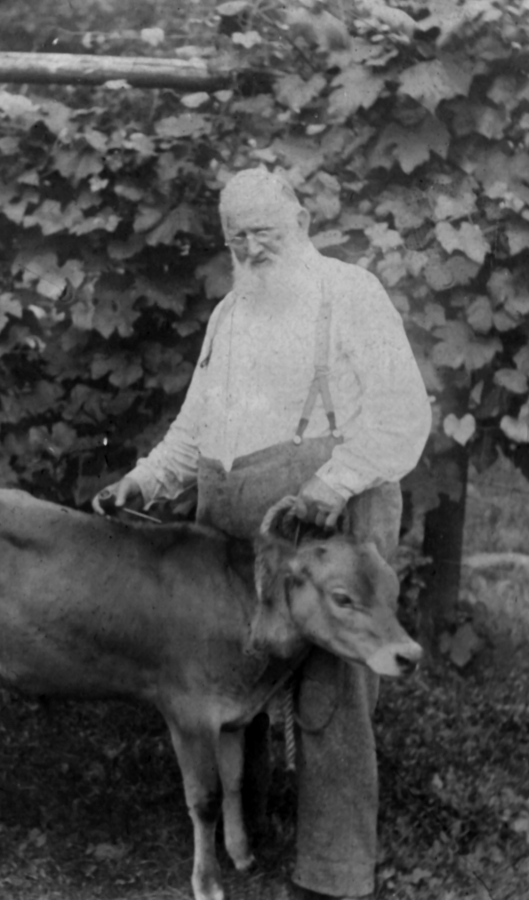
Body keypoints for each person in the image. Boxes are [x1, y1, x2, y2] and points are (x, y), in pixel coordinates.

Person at [93, 167, 431, 900]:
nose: (250, 248)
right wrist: (145, 480)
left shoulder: (350, 294)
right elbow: (195, 427)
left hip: (329, 511)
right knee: (234, 670)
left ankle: (334, 876)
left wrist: (328, 487)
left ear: (302, 221)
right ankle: (251, 835)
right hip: (236, 512)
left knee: (330, 696)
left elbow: (403, 417)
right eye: (235, 237)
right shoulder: (229, 315)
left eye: (264, 233)